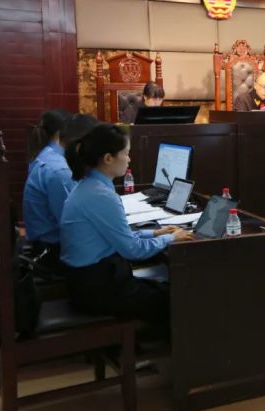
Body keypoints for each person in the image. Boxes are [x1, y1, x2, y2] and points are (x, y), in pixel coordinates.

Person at [61, 123, 193, 328]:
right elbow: (132, 250)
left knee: (163, 289)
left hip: (86, 280)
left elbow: (117, 234)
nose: (129, 159)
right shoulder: (101, 195)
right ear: (108, 158)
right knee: (179, 298)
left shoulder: (89, 186)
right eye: (126, 153)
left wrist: (155, 233)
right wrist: (171, 238)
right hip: (97, 288)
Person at [23, 110, 98, 273]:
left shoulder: (47, 155)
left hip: (49, 244)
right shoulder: (60, 170)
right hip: (53, 251)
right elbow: (75, 225)